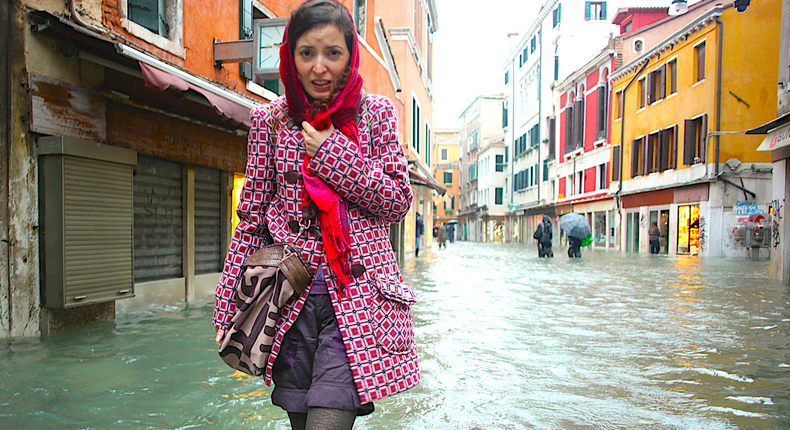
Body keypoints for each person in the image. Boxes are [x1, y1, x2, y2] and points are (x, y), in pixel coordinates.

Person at [213, 1, 419, 428]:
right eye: (307, 53)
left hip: (360, 299)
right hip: (289, 298)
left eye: (333, 53)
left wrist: (330, 152)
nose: (319, 67)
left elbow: (398, 200)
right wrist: (227, 303)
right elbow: (251, 217)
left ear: (350, 55)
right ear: (291, 56)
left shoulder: (376, 114)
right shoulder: (269, 121)